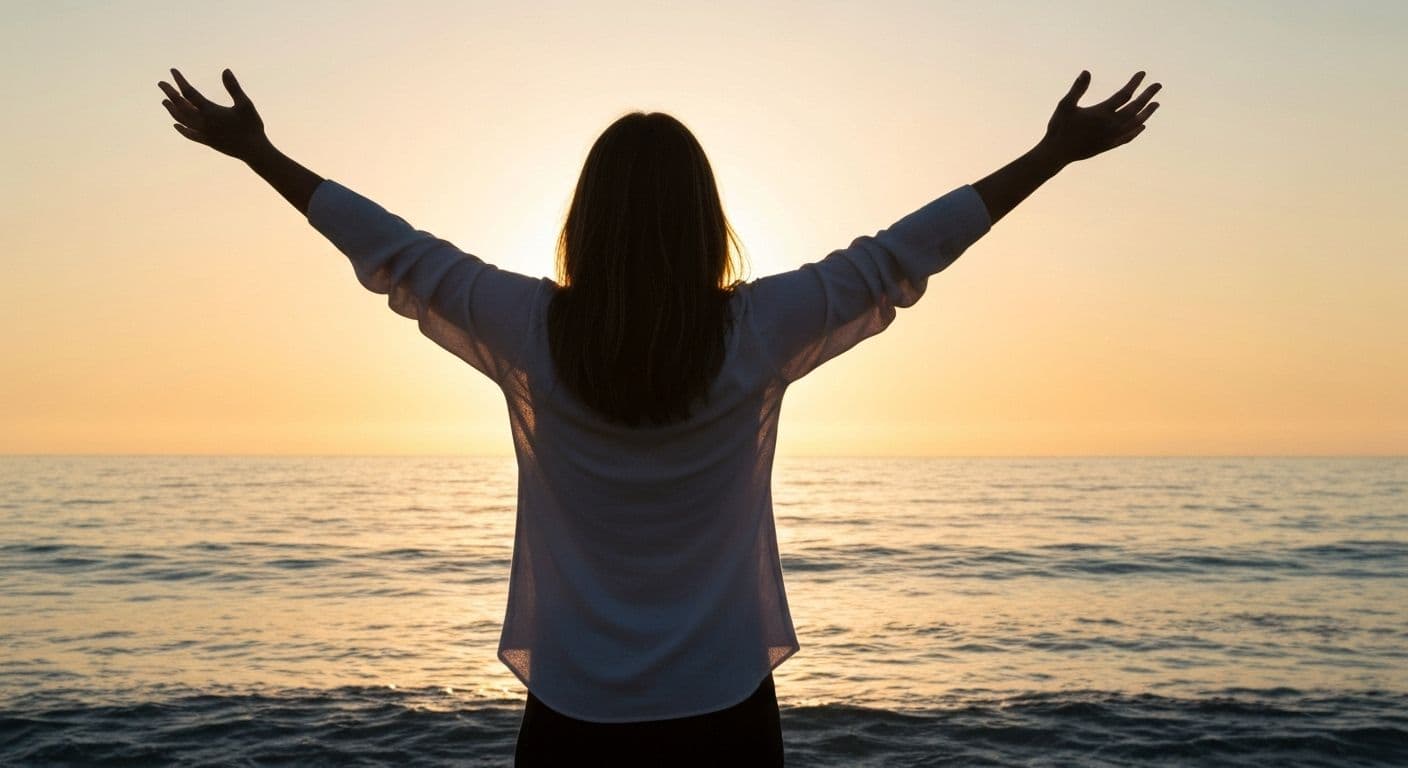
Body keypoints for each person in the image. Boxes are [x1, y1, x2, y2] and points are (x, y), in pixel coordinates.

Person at [157, 67, 1160, 766]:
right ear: (705, 217)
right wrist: (1050, 156)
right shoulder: (759, 329)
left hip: (574, 711)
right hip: (722, 707)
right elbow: (902, 255)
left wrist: (260, 155)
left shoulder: (528, 328)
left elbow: (398, 253)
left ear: (585, 221)